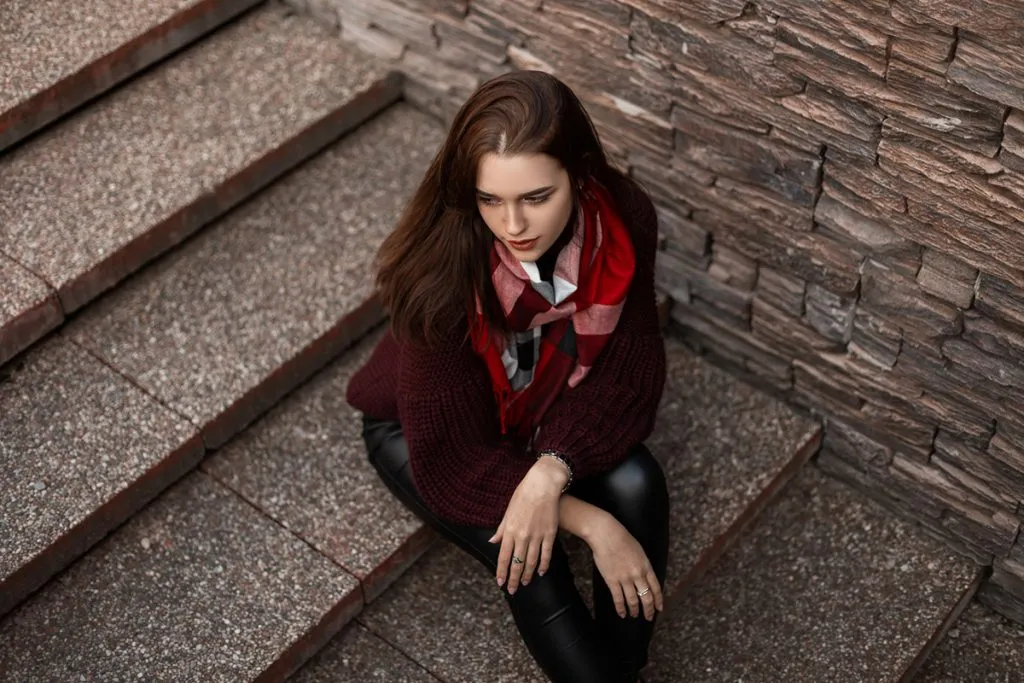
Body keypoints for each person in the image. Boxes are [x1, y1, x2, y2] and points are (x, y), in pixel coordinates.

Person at [346, 69, 670, 683]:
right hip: (421, 434)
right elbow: (454, 457)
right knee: (534, 558)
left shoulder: (622, 219)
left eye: (535, 197)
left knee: (637, 482)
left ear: (579, 172)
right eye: (490, 199)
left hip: (540, 414)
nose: (513, 225)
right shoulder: (441, 280)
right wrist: (590, 521)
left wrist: (553, 467)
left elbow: (631, 366)